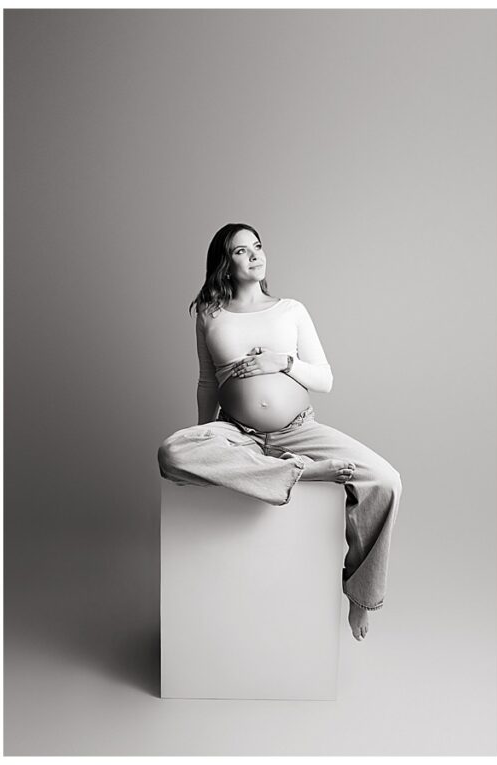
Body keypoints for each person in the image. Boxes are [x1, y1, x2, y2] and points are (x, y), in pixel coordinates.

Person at [157, 223, 401, 642]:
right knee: (172, 453)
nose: (253, 255)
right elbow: (207, 384)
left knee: (386, 480)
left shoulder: (291, 310)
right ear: (224, 264)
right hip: (238, 432)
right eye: (240, 251)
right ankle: (299, 474)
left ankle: (361, 597)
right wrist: (210, 441)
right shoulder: (209, 316)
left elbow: (324, 379)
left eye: (257, 246)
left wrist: (282, 362)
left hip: (299, 432)